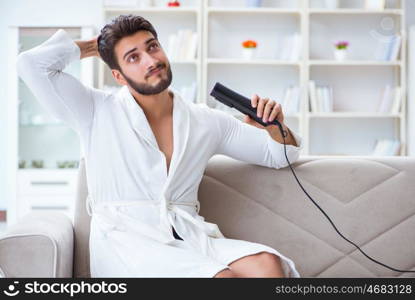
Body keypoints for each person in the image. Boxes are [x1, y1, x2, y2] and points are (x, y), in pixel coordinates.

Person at [16, 14, 304, 278]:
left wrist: (274, 126)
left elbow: (279, 155)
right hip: (127, 243)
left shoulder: (205, 120)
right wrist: (98, 46)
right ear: (118, 75)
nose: (150, 60)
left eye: (152, 47)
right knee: (221, 279)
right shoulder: (94, 110)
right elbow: (30, 64)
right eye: (132, 57)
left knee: (267, 265)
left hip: (188, 235)